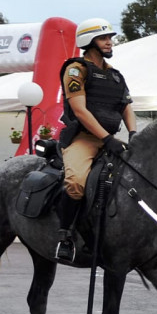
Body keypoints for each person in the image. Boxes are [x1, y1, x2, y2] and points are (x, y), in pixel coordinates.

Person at [56, 18, 136, 263]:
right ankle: (65, 237)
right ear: (89, 42)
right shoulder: (75, 70)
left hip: (113, 140)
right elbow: (79, 110)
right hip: (84, 139)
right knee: (77, 182)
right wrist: (106, 138)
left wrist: (133, 135)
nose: (109, 42)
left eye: (110, 38)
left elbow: (127, 107)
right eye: (104, 38)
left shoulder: (116, 76)